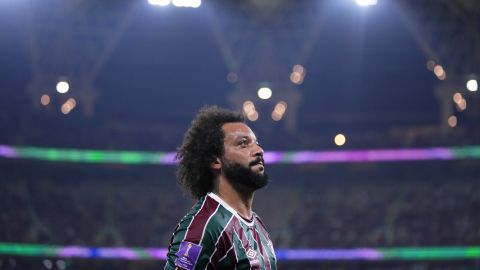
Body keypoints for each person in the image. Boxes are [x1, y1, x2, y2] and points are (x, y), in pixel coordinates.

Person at [164, 106, 277, 270]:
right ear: (215, 161)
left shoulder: (257, 224)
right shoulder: (204, 227)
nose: (259, 150)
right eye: (243, 144)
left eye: (257, 143)